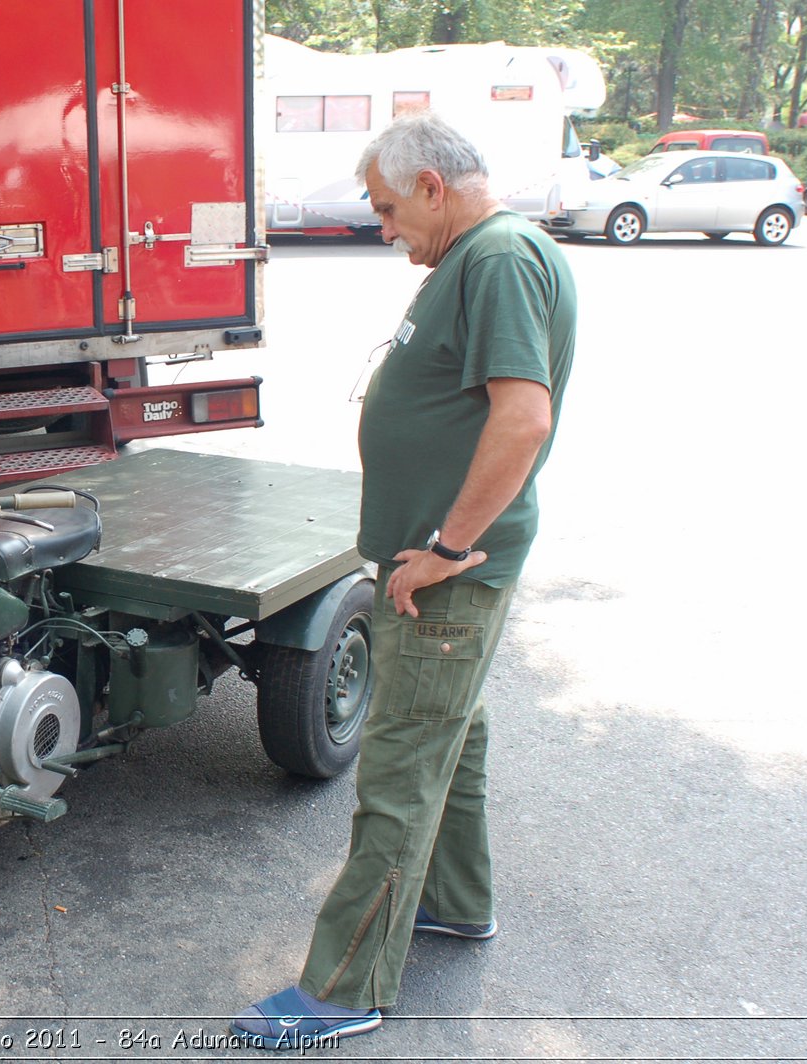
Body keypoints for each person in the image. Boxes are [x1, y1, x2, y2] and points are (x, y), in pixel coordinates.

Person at [231, 111, 576, 1050]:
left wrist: (450, 547)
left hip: (446, 577)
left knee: (399, 770)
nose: (383, 230)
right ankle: (458, 905)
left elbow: (523, 419)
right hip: (439, 569)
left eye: (387, 210)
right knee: (448, 740)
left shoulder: (500, 258)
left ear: (433, 186)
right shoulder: (479, 257)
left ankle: (343, 989)